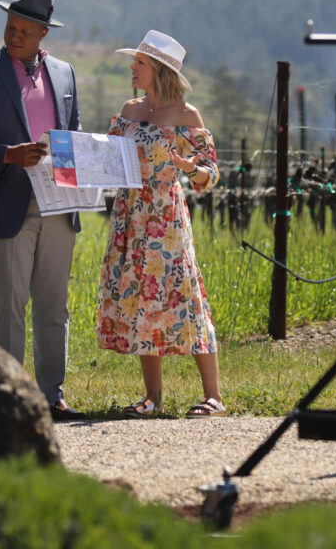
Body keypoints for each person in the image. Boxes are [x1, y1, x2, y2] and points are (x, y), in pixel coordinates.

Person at [0, 0, 84, 421]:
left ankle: (50, 396)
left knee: (54, 304)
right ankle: (7, 398)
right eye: (11, 28)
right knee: (8, 306)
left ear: (44, 33)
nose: (15, 36)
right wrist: (9, 154)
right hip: (6, 200)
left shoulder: (65, 73)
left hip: (59, 203)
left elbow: (74, 131)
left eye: (25, 31)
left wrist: (83, 166)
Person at [97, 30, 224, 418]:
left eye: (140, 63)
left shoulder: (187, 116)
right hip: (129, 214)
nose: (132, 68)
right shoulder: (129, 110)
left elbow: (211, 174)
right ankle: (152, 398)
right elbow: (106, 155)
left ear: (160, 70)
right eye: (134, 62)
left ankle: (213, 396)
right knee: (140, 296)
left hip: (165, 217)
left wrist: (191, 169)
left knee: (184, 295)